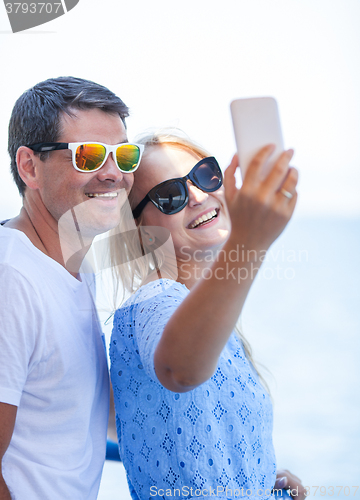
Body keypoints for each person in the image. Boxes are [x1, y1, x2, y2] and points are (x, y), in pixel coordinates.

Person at [109, 131, 306, 499]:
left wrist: (256, 477)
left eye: (204, 175)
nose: (198, 196)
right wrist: (250, 240)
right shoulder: (156, 298)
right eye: (171, 196)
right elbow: (179, 371)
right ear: (142, 232)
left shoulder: (202, 315)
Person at [0, 76, 144, 499]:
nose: (114, 173)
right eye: (89, 156)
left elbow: (78, 408)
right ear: (30, 167)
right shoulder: (13, 281)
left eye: (124, 155)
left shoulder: (78, 267)